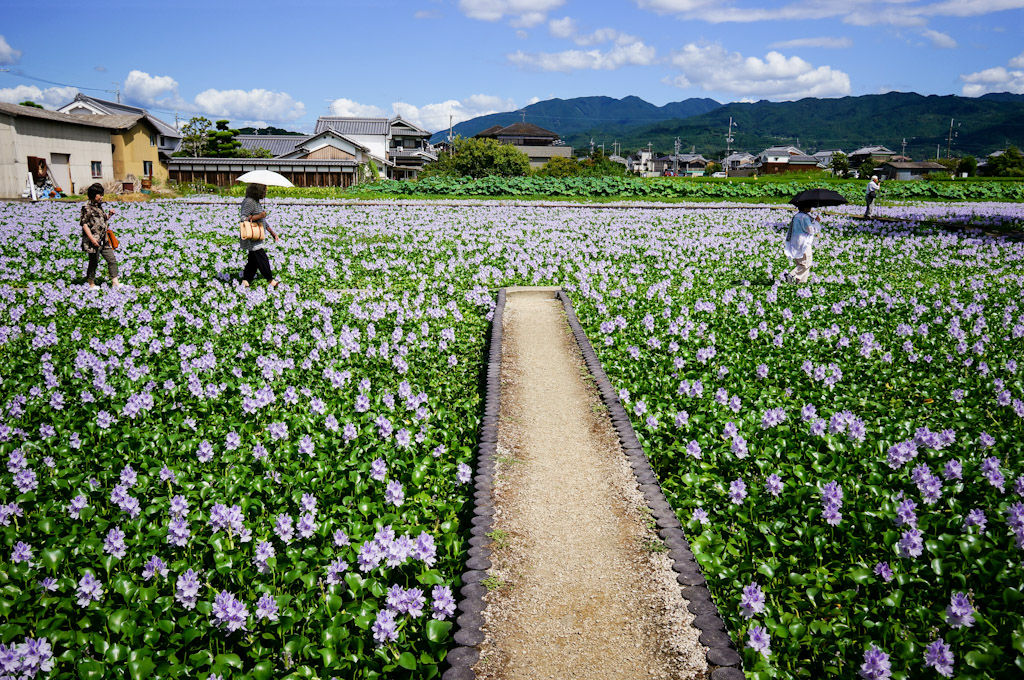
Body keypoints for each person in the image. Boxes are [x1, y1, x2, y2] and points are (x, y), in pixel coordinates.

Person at [238, 183, 279, 287]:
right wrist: (259, 216)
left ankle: (246, 281)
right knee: (262, 258)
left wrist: (272, 233)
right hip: (251, 236)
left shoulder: (256, 202)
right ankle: (270, 280)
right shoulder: (249, 202)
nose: (265, 193)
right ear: (258, 191)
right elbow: (243, 218)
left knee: (253, 261)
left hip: (257, 235)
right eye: (264, 191)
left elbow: (263, 221)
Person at [80, 183, 120, 288]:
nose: (102, 197)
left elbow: (102, 220)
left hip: (104, 238)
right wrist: (92, 239)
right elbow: (84, 225)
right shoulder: (86, 208)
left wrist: (109, 215)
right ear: (94, 195)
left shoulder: (99, 207)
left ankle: (115, 283)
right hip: (94, 240)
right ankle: (91, 284)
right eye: (100, 195)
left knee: (112, 260)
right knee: (93, 262)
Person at [783, 203, 820, 283]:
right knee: (807, 264)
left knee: (800, 263)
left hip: (795, 243)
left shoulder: (796, 216)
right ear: (805, 207)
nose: (811, 207)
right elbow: (810, 230)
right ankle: (791, 275)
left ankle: (801, 284)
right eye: (809, 206)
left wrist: (813, 220)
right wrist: (816, 223)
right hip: (804, 243)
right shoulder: (805, 217)